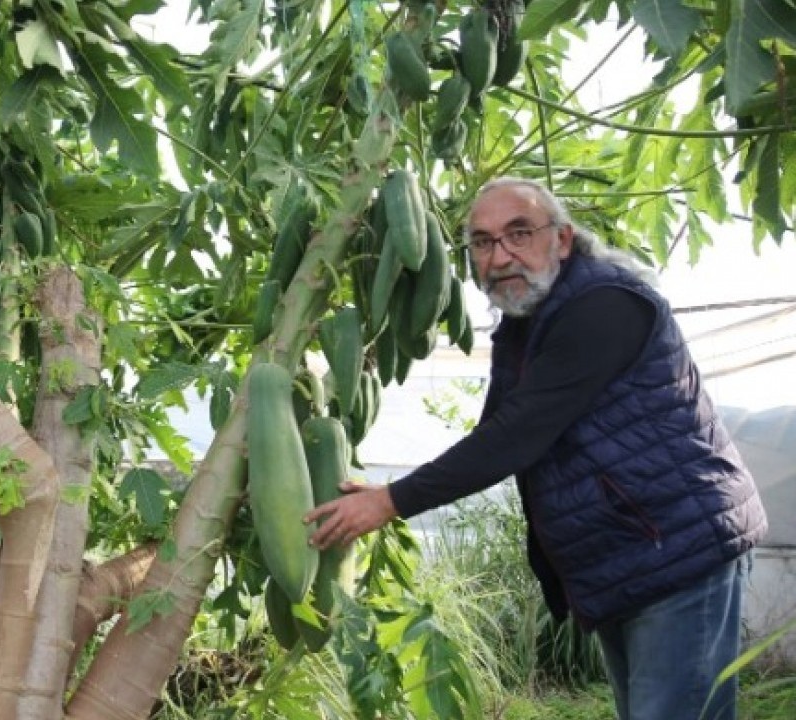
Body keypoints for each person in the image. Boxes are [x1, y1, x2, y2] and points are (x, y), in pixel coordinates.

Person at [305, 177, 768, 720]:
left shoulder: (604, 305)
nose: (500, 256)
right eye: (482, 242)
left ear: (563, 240)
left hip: (677, 546)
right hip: (631, 553)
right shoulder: (527, 324)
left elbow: (515, 436)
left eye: (518, 234)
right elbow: (495, 434)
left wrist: (390, 501)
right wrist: (387, 492)